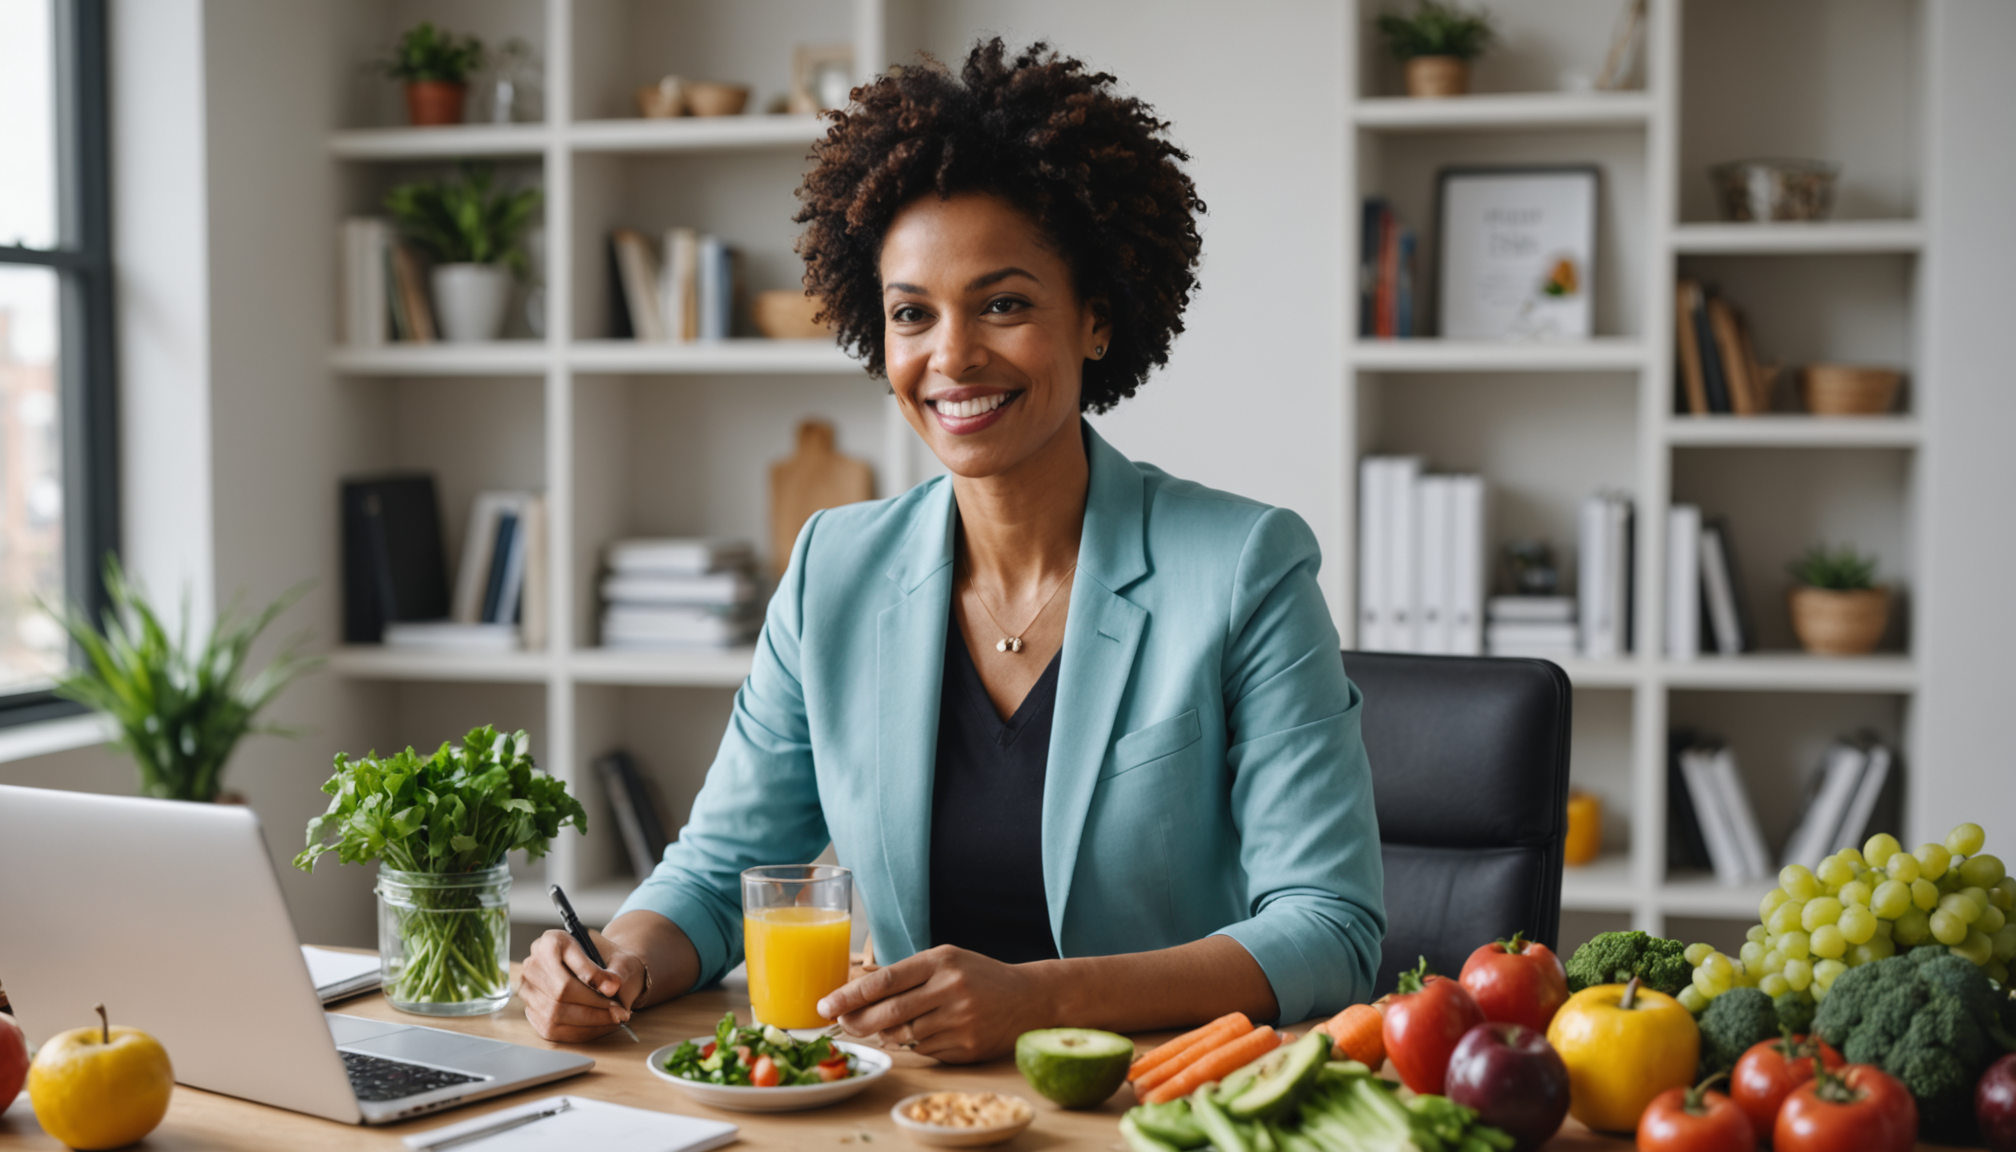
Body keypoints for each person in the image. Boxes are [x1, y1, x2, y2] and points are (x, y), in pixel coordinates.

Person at [521, 39, 1385, 1063]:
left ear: (1096, 316)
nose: (953, 356)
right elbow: (718, 875)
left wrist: (1042, 1000)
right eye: (911, 316)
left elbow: (1330, 928)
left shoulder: (1244, 566)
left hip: (1152, 1109)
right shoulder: (833, 567)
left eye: (1005, 304)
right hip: (909, 1112)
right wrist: (617, 961)